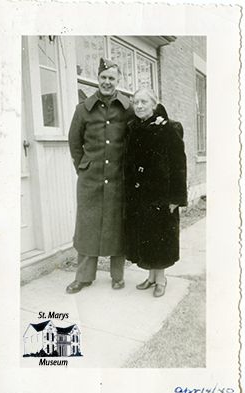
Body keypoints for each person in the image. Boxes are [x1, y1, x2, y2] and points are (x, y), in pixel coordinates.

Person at [66, 57, 133, 294]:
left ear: (118, 80)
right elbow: (74, 142)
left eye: (111, 78)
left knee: (118, 225)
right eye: (103, 77)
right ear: (98, 78)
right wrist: (83, 166)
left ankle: (117, 276)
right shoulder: (83, 109)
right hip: (90, 179)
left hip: (118, 178)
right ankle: (84, 277)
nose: (107, 82)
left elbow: (136, 137)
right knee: (87, 226)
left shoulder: (128, 108)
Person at [125, 88, 187, 297]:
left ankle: (161, 279)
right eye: (136, 102)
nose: (139, 106)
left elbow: (179, 165)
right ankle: (151, 277)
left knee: (159, 236)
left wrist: (176, 198)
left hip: (161, 195)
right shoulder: (133, 127)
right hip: (140, 195)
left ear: (154, 104)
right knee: (147, 236)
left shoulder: (169, 128)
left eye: (144, 102)